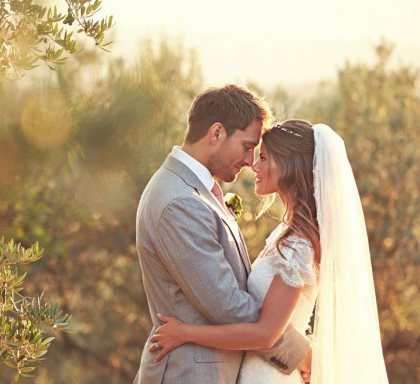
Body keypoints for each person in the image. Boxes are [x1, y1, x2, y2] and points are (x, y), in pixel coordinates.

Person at [149, 120, 390, 384]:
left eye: (263, 158)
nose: (254, 166)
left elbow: (265, 335)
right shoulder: (288, 233)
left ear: (288, 166)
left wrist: (186, 333)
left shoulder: (298, 245)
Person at [134, 86, 311, 384]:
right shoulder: (181, 202)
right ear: (216, 133)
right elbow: (228, 307)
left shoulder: (194, 191)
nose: (250, 160)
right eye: (246, 146)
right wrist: (303, 354)